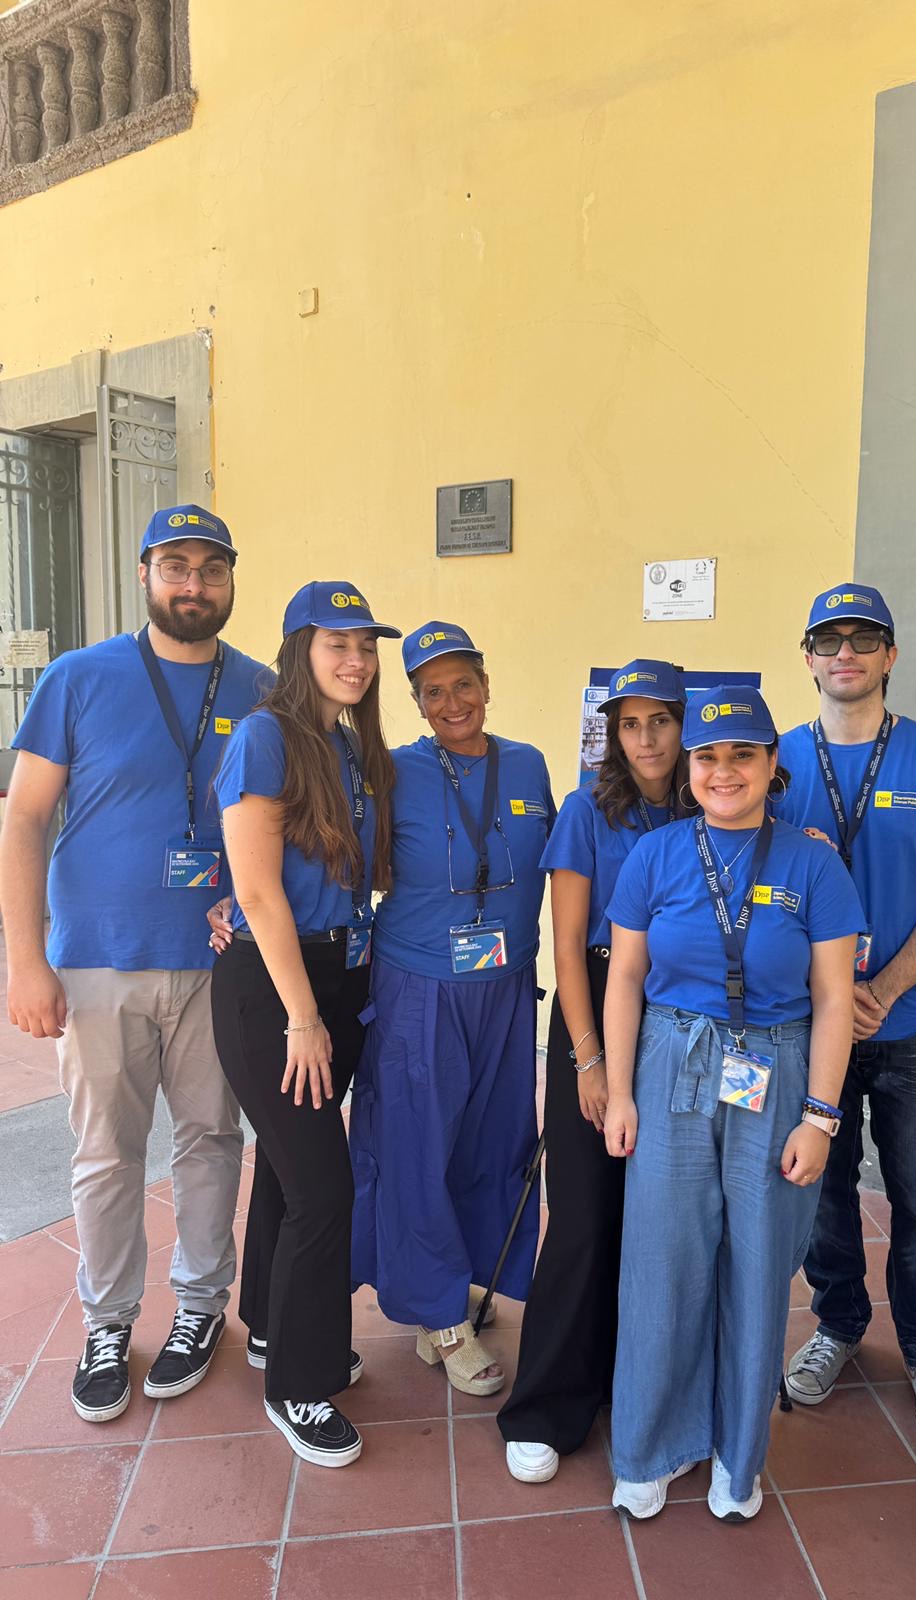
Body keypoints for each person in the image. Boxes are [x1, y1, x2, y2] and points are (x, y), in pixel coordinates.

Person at [0, 506, 269, 1422]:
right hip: (97, 964)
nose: (195, 584)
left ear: (230, 581)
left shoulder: (262, 691)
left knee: (211, 1141)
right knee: (106, 1155)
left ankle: (200, 1307)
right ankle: (108, 1322)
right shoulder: (79, 678)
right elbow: (25, 819)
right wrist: (25, 960)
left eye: (212, 569)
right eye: (177, 566)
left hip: (220, 966)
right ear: (146, 572)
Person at [603, 687, 860, 1521]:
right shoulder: (656, 856)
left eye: (742, 755)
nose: (724, 772)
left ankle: (735, 1458)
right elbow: (625, 978)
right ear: (689, 767)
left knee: (755, 1264)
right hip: (671, 1063)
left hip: (775, 1066)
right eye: (708, 757)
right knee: (662, 1263)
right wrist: (618, 1091)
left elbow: (834, 998)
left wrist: (820, 1117)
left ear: (771, 764)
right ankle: (651, 1447)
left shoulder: (814, 864)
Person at [776, 583, 916, 1445]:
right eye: (828, 639)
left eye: (864, 638)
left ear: (891, 656)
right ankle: (837, 1324)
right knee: (822, 1194)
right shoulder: (775, 759)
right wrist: (834, 997)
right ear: (807, 657)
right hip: (810, 1023)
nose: (846, 653)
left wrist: (885, 989)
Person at [210, 581, 399, 1467]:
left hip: (340, 972)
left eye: (366, 645)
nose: (356, 660)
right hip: (278, 989)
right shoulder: (265, 737)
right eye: (338, 643)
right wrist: (302, 1018)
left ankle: (269, 1326)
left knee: (291, 1173)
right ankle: (298, 1383)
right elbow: (255, 891)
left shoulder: (349, 747)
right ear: (299, 652)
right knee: (325, 1189)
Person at [349, 621, 555, 1396]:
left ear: (486, 684)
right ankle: (438, 1314)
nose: (452, 701)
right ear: (417, 703)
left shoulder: (528, 764)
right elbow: (339, 860)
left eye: (463, 683)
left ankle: (468, 1279)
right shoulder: (392, 772)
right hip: (419, 991)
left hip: (507, 988)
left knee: (494, 1144)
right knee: (418, 1149)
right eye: (432, 691)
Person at [498, 659, 689, 1485]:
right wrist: (589, 1058)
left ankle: (630, 1381)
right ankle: (544, 1406)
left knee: (659, 1220)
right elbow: (569, 947)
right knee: (581, 1216)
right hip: (595, 1015)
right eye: (630, 724)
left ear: (684, 725)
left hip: (680, 1022)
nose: (646, 738)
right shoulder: (587, 811)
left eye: (660, 721)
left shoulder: (709, 803)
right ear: (612, 734)